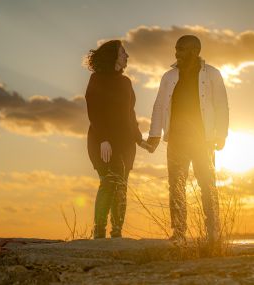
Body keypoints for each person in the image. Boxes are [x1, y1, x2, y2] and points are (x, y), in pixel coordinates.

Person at [147, 35, 229, 243]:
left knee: (207, 184)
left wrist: (221, 134)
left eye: (181, 49)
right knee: (176, 185)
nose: (177, 53)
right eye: (176, 49)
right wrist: (154, 135)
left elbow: (221, 105)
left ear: (195, 51)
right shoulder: (168, 76)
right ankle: (179, 232)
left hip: (204, 140)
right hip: (176, 139)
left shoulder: (212, 74)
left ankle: (213, 232)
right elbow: (159, 106)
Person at [85, 40, 147, 239]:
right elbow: (94, 110)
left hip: (126, 143)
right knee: (109, 181)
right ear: (113, 56)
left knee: (121, 185)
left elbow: (131, 114)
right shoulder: (97, 79)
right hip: (102, 142)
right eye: (123, 53)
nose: (127, 56)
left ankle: (117, 233)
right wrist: (103, 138)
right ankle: (99, 232)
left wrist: (139, 139)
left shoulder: (126, 82)